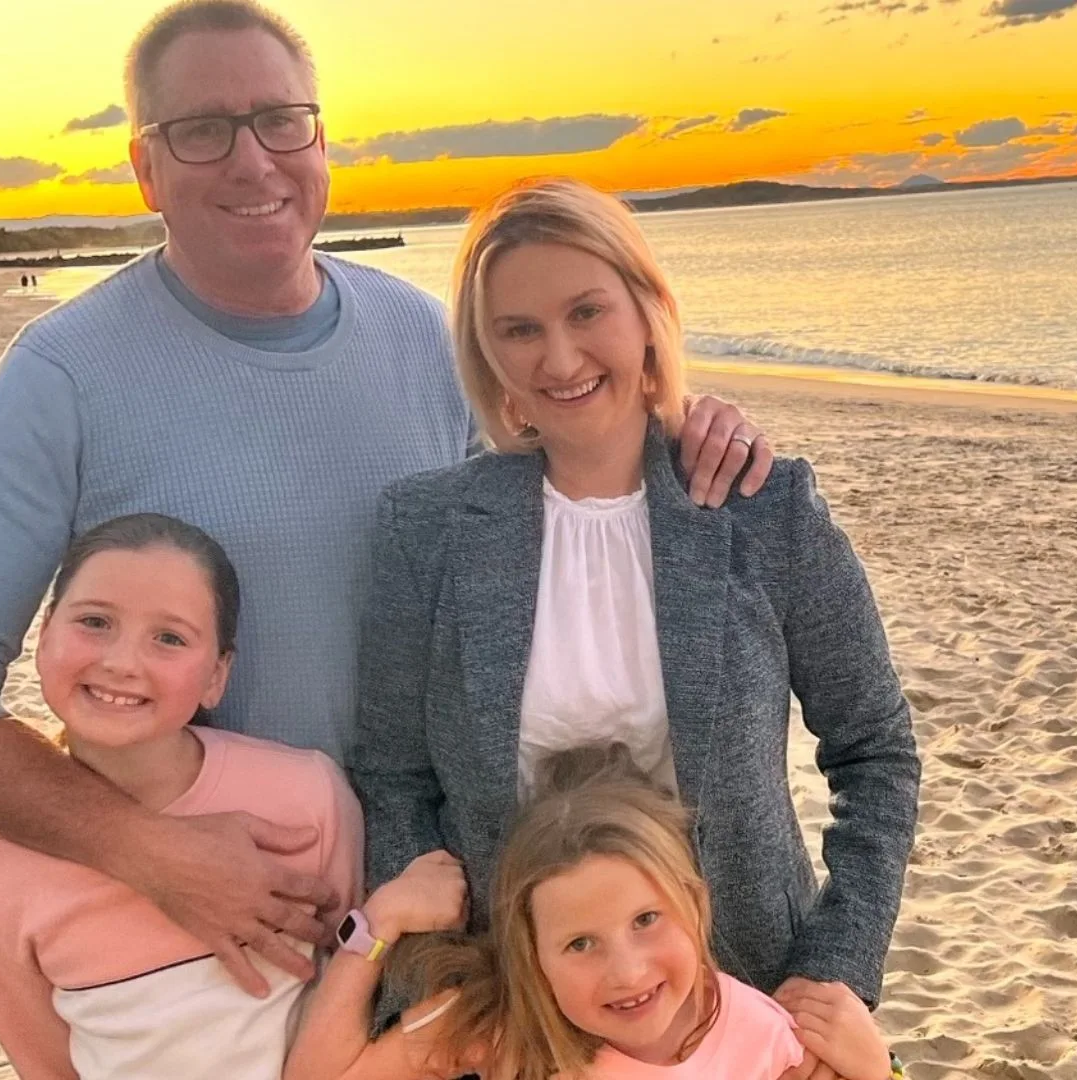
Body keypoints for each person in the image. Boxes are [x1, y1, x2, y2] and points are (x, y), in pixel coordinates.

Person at [0, 0, 768, 998]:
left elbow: (577, 461)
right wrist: (149, 851)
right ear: (144, 166)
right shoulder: (63, 375)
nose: (253, 162)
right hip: (225, 935)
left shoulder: (425, 339)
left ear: (322, 139)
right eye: (202, 131)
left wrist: (686, 422)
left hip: (447, 908)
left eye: (280, 120)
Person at [351, 178, 918, 1079]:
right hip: (513, 1022)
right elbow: (391, 780)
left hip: (753, 1002)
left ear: (649, 311)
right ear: (485, 351)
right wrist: (434, 985)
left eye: (587, 311)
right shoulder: (427, 531)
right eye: (519, 329)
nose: (560, 355)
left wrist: (837, 970)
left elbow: (875, 750)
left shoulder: (762, 509)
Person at [0, 513, 362, 1079]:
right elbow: (48, 1068)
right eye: (94, 622)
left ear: (218, 674)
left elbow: (358, 981)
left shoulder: (305, 796)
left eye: (169, 638)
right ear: (43, 637)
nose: (121, 663)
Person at [287, 747, 899, 1080]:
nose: (627, 972)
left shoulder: (765, 1037)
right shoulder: (503, 1028)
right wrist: (379, 924)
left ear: (695, 903)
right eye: (580, 944)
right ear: (533, 956)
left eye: (646, 920)